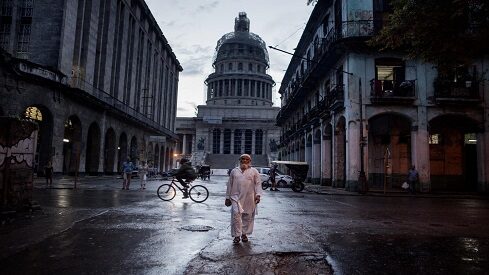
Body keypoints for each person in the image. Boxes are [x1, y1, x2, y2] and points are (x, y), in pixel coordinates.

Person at [225, 154, 262, 244]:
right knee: (236, 216)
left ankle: (244, 234)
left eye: (246, 159)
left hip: (249, 198)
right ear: (240, 160)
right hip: (235, 197)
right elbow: (229, 184)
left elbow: (258, 184)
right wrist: (227, 197)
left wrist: (258, 195)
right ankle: (237, 236)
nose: (244, 161)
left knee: (248, 216)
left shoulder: (254, 171)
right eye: (243, 159)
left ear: (250, 161)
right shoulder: (234, 171)